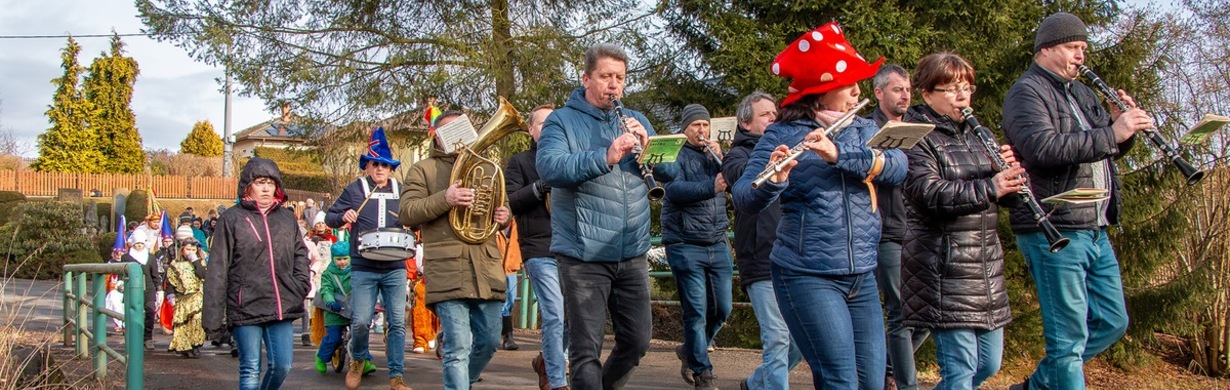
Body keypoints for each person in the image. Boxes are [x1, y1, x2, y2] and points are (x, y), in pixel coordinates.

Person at [731, 22, 906, 389]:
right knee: (839, 380)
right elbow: (745, 195)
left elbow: (898, 166)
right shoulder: (781, 133)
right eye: (849, 85)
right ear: (821, 92)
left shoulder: (862, 127)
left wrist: (838, 154)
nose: (858, 91)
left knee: (871, 382)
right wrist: (774, 181)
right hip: (807, 272)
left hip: (861, 273)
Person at [1002, 12, 1142, 390]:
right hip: (1054, 228)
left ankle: (1037, 385)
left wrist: (1121, 130)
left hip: (1096, 226)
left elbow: (1104, 149)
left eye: (1083, 48)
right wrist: (1112, 133)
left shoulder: (1082, 92)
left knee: (1113, 321)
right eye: (1072, 48)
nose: (1081, 56)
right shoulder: (1026, 93)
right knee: (1068, 341)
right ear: (1046, 49)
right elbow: (1043, 148)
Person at [899, 52, 1022, 390]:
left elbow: (998, 197)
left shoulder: (975, 133)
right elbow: (928, 192)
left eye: (967, 87)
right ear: (927, 94)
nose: (963, 95)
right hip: (943, 265)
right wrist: (990, 185)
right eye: (952, 88)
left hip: (985, 267)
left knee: (988, 364)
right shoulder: (914, 136)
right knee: (961, 370)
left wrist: (1007, 178)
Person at [536, 42, 655, 390]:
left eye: (620, 77)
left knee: (637, 342)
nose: (614, 84)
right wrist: (606, 155)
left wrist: (652, 151)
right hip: (583, 254)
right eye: (606, 76)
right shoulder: (561, 121)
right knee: (586, 350)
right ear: (586, 78)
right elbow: (550, 168)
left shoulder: (637, 119)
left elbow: (672, 174)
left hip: (631, 250)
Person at [399, 111, 511, 390]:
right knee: (458, 347)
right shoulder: (422, 169)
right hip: (447, 267)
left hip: (485, 266)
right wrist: (445, 198)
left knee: (488, 341)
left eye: (464, 128)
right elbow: (407, 213)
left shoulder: (487, 166)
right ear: (437, 136)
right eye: (450, 130)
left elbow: (503, 209)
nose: (460, 135)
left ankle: (465, 381)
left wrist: (503, 216)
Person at [203, 157, 311, 390]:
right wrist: (213, 319)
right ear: (248, 185)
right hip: (245, 305)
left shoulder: (286, 218)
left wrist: (301, 284)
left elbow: (300, 253)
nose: (265, 188)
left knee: (282, 365)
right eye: (260, 182)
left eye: (270, 183)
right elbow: (218, 268)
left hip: (281, 303)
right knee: (250, 368)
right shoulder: (231, 219)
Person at [721, 91, 803, 390]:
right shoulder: (735, 157)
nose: (774, 117)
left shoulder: (793, 149)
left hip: (794, 254)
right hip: (760, 256)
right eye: (766, 114)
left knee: (803, 340)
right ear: (745, 124)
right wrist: (772, 160)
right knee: (777, 337)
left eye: (775, 112)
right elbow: (743, 180)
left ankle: (756, 383)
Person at [325, 128, 413, 390]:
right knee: (361, 321)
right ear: (367, 165)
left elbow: (416, 214)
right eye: (375, 164)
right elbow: (330, 217)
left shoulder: (403, 189)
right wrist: (343, 216)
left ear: (391, 168)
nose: (380, 169)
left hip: (395, 266)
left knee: (397, 323)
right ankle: (358, 359)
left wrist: (413, 225)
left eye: (385, 165)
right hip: (363, 266)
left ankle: (396, 377)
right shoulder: (355, 190)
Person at [654, 103, 731, 389]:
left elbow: (737, 184)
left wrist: (724, 159)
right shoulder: (675, 154)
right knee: (695, 310)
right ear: (685, 128)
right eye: (696, 125)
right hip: (685, 243)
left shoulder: (715, 155)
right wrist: (712, 186)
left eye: (705, 125)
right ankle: (702, 372)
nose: (702, 130)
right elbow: (673, 189)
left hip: (716, 240)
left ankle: (690, 350)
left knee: (722, 308)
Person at [866, 63, 929, 390]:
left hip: (920, 231)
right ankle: (907, 385)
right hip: (886, 230)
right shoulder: (868, 130)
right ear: (879, 93)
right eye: (897, 89)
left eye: (907, 89)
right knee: (902, 313)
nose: (905, 95)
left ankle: (886, 367)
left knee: (927, 312)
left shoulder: (920, 126)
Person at [505, 103, 568, 390]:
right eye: (542, 123)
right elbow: (510, 202)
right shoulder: (519, 162)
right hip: (539, 248)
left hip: (572, 247)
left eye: (554, 122)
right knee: (555, 313)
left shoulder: (570, 158)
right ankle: (558, 381)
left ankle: (548, 360)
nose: (548, 127)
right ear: (531, 130)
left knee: (574, 316)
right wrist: (539, 186)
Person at [316, 241, 370, 374]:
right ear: (333, 259)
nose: (342, 262)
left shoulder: (356, 271)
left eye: (345, 258)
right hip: (334, 311)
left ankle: (365, 362)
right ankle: (321, 358)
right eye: (338, 259)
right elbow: (326, 290)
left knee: (360, 335)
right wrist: (329, 302)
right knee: (333, 338)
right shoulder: (328, 274)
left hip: (352, 309)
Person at [166, 238, 208, 358]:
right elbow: (170, 281)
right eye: (188, 249)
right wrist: (170, 295)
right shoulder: (175, 264)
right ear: (182, 249)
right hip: (182, 298)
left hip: (196, 297)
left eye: (193, 250)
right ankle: (184, 346)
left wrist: (195, 261)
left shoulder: (201, 262)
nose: (190, 252)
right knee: (182, 324)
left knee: (196, 321)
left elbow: (203, 275)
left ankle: (195, 346)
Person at [122, 229, 161, 351]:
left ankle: (148, 337)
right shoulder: (126, 257)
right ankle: (134, 337)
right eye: (137, 244)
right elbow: (121, 274)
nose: (139, 246)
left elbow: (155, 275)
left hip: (148, 288)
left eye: (141, 244)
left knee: (150, 311)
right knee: (133, 312)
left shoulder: (150, 258)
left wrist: (159, 290)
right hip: (132, 288)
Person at [498, 223, 522, 351]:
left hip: (511, 265)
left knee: (511, 300)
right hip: (494, 265)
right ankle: (507, 337)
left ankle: (506, 336)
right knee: (501, 303)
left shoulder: (516, 221)